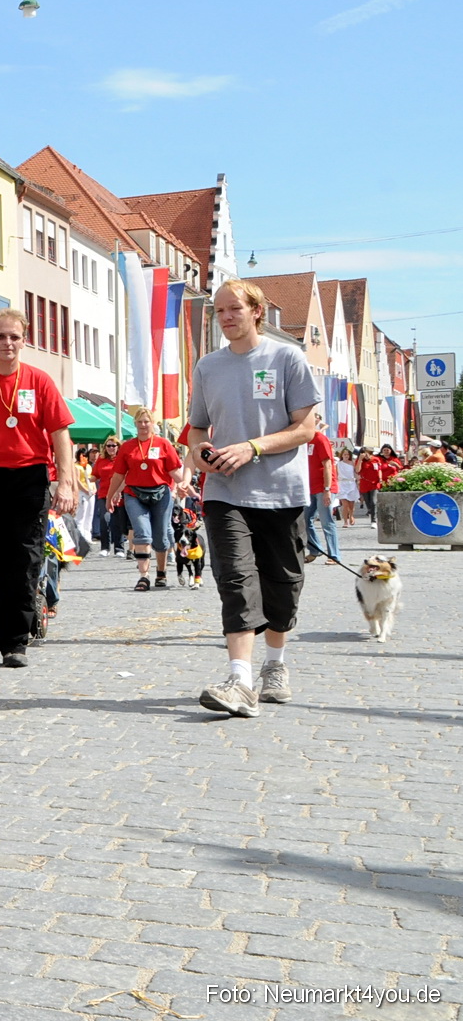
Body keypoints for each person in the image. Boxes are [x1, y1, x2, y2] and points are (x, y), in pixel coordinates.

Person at [188, 280, 321, 719]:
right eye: (219, 311)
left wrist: (252, 447)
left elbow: (305, 428)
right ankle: (240, 681)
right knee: (236, 580)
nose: (226, 317)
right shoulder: (208, 366)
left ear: (256, 311)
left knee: (283, 586)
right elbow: (197, 428)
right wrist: (200, 452)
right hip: (225, 492)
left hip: (281, 492)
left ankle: (275, 664)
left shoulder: (287, 358)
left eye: (234, 309)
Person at [0, 308, 77, 669]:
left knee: (24, 561)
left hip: (29, 479)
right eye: (1, 336)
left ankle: (15, 641)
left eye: (14, 337)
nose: (8, 343)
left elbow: (60, 433)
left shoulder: (39, 381)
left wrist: (66, 482)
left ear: (24, 341)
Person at [106, 409, 185, 591]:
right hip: (134, 494)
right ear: (135, 423)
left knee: (161, 536)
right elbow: (118, 475)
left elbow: (174, 470)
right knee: (141, 532)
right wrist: (110, 496)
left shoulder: (163, 444)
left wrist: (184, 485)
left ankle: (161, 572)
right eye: (140, 421)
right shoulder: (127, 447)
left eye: (146, 421)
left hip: (161, 493)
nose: (143, 425)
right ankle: (144, 576)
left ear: (152, 423)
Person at [303, 416, 341, 564]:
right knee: (305, 520)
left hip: (323, 487)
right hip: (310, 487)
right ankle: (315, 549)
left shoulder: (320, 439)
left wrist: (327, 489)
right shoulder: (304, 440)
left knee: (326, 522)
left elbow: (328, 465)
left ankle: (334, 555)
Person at [91, 435, 123, 556]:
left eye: (113, 445)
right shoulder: (101, 460)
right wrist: (84, 478)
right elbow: (95, 475)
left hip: (118, 493)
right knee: (104, 520)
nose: (110, 448)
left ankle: (119, 548)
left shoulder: (121, 459)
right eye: (108, 446)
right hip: (104, 494)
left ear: (118, 447)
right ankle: (105, 547)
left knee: (117, 521)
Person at [336, 445, 359, 527]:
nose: (346, 456)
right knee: (345, 505)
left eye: (347, 454)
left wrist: (359, 480)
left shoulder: (352, 463)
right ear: (342, 455)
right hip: (342, 484)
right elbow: (336, 474)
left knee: (351, 505)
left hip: (351, 484)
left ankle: (351, 515)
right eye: (344, 454)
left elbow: (356, 473)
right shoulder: (338, 464)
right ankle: (345, 522)